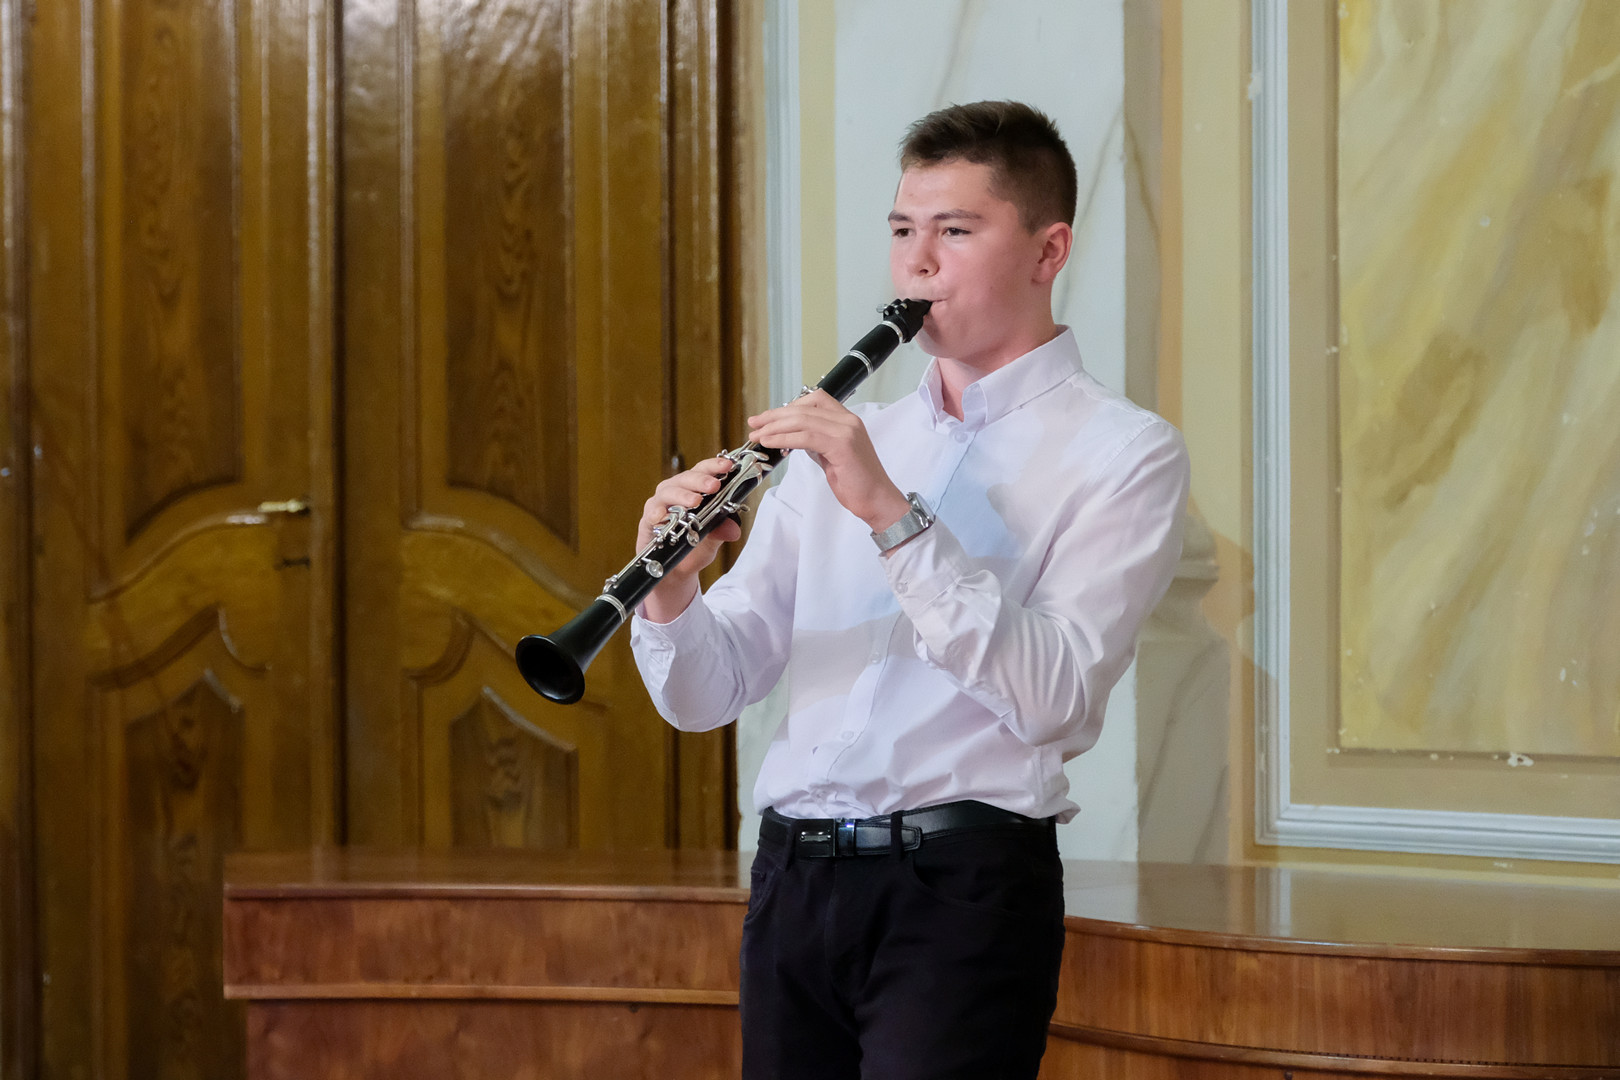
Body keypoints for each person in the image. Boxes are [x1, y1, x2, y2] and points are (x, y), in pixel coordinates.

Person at [629, 100, 1189, 1080]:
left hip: (961, 889)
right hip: (792, 878)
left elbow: (1056, 698)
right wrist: (670, 594)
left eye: (955, 231)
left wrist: (893, 516)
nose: (917, 264)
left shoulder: (1124, 453)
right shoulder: (853, 436)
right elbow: (710, 694)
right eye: (902, 231)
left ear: (1049, 251)